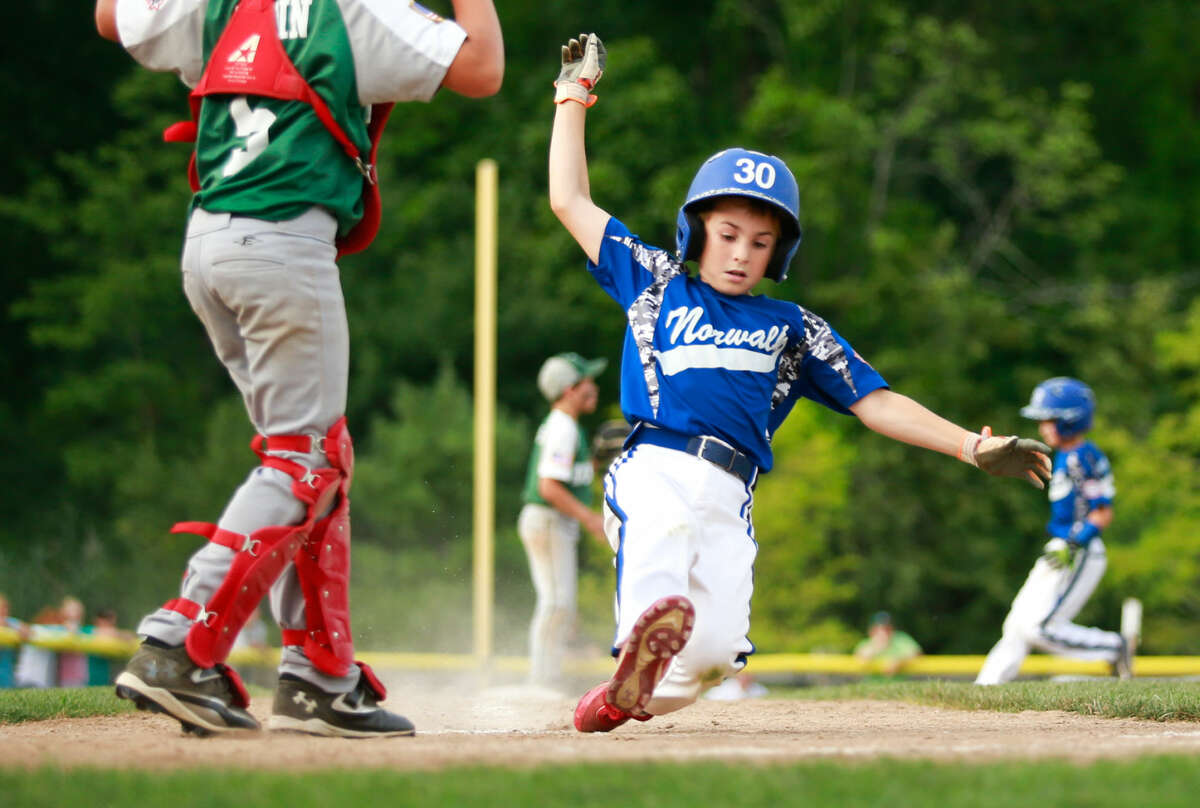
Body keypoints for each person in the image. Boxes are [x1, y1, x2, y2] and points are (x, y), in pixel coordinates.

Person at [547, 33, 1053, 732]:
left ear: (778, 252)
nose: (740, 252)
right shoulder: (655, 282)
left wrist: (970, 446)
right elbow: (570, 199)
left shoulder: (794, 327)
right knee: (659, 532)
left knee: (718, 654)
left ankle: (618, 696)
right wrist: (572, 97)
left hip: (731, 489)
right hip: (653, 464)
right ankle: (644, 629)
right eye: (727, 233)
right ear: (696, 231)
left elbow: (875, 401)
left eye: (759, 242)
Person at [93, 0, 503, 736]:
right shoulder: (354, 10)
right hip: (283, 243)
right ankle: (178, 642)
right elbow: (482, 68)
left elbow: (107, 16)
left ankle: (320, 674)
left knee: (315, 456)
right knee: (304, 461)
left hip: (209, 244)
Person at [975, 377, 1132, 685]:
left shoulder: (1085, 457)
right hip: (1060, 545)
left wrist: (1074, 543)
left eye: (1050, 419)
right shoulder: (1064, 457)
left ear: (1071, 420)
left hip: (1080, 549)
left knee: (1040, 627)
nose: (1043, 427)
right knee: (1018, 621)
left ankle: (1113, 647)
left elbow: (1102, 512)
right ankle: (987, 686)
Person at [517, 352, 607, 689]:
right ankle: (540, 680)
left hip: (549, 521)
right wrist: (590, 518)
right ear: (569, 389)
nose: (592, 387)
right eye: (587, 381)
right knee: (556, 602)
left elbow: (564, 479)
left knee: (560, 603)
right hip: (549, 519)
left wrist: (595, 462)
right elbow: (548, 486)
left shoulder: (566, 426)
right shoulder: (563, 427)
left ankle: (545, 677)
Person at [854, 611, 922, 676]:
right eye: (879, 629)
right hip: (872, 684)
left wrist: (899, 663)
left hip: (899, 683)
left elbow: (916, 654)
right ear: (871, 631)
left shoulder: (900, 639)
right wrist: (876, 647)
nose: (883, 632)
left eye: (886, 629)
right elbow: (859, 659)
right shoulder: (866, 643)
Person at [0, 594, 28, 688]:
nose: (2, 611)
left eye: (4, 608)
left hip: (7, 675)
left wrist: (9, 626)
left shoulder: (10, 622)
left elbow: (26, 631)